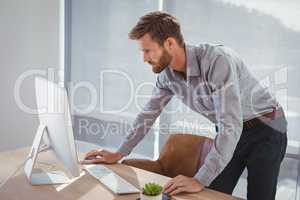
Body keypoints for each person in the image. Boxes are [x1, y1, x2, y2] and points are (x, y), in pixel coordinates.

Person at [84, 11, 287, 200]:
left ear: (170, 43)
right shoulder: (167, 75)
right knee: (210, 194)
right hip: (231, 130)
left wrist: (199, 179)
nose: (144, 58)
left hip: (266, 128)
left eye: (148, 51)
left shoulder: (217, 61)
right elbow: (148, 115)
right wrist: (119, 152)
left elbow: (230, 125)